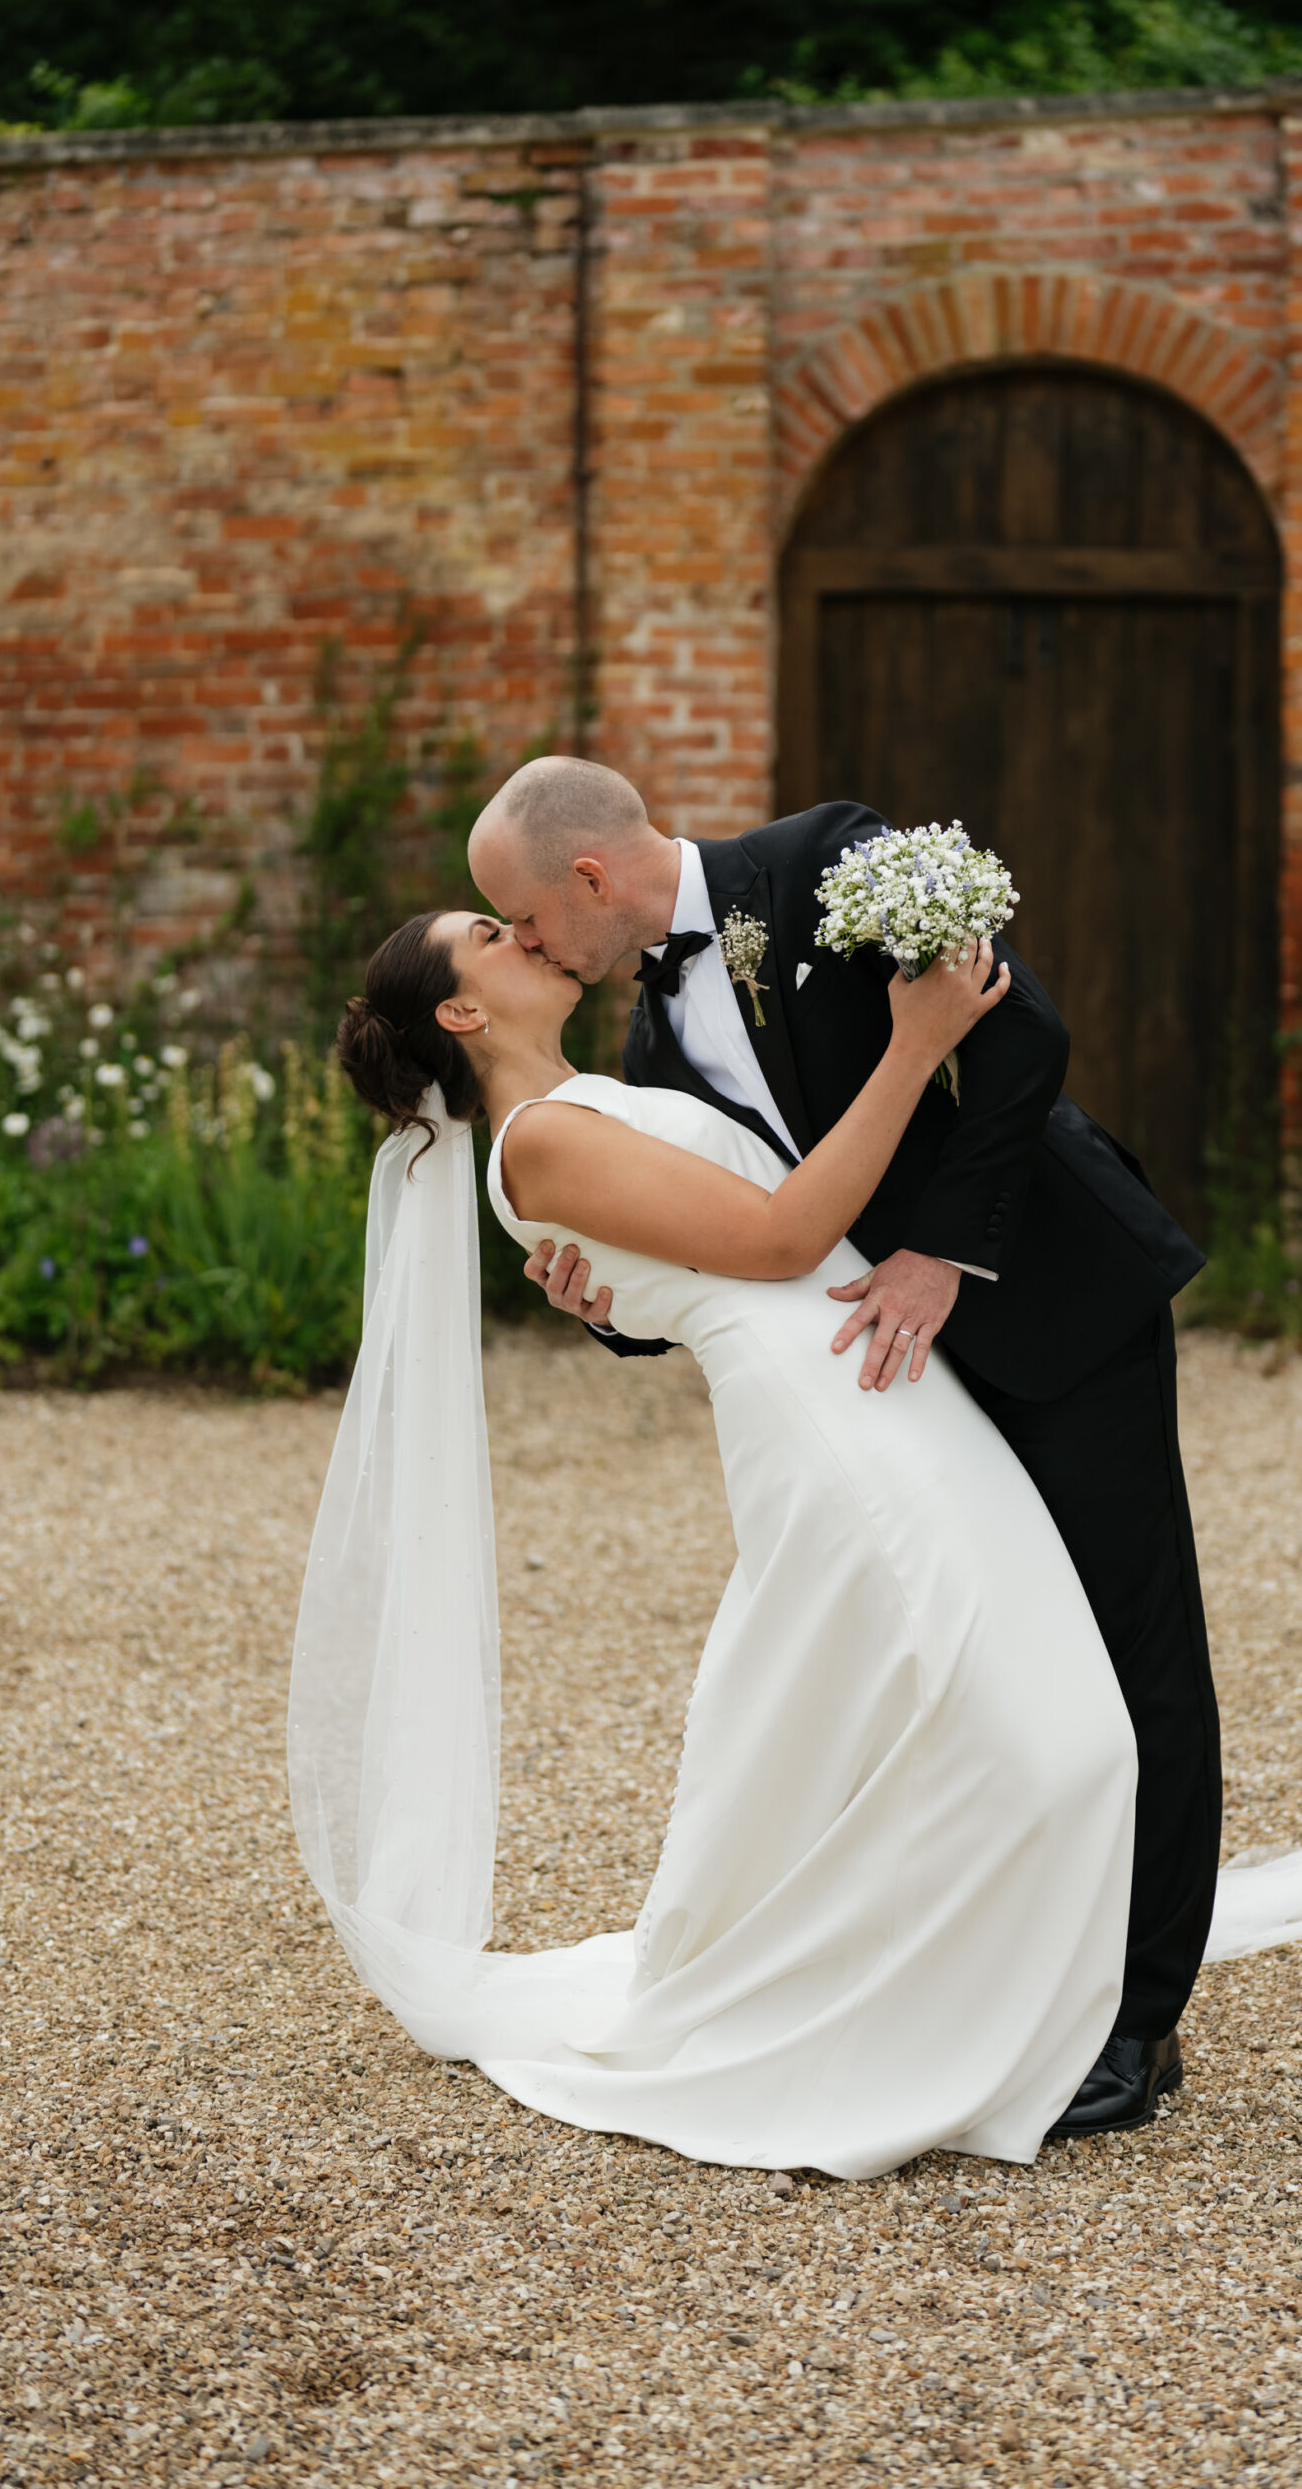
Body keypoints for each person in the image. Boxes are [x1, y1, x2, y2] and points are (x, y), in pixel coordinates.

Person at [306, 907, 1142, 2177]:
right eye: (488, 932)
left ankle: (946, 1980)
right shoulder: (536, 1149)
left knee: (1013, 1711)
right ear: (462, 1012)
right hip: (829, 1423)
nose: (523, 931)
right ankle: (913, 2015)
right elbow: (777, 1238)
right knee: (1032, 1721)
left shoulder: (599, 1097)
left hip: (883, 1381)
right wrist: (914, 1048)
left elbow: (702, 1241)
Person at [466, 758, 1217, 2136]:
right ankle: (1009, 1964)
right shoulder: (649, 1050)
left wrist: (944, 1250)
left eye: (519, 919)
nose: (525, 948)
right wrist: (610, 1314)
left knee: (1134, 1646)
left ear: (587, 879)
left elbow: (1022, 1036)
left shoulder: (828, 862)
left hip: (1044, 1300)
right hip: (891, 1376)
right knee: (1001, 1661)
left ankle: (1139, 2023)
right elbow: (732, 1241)